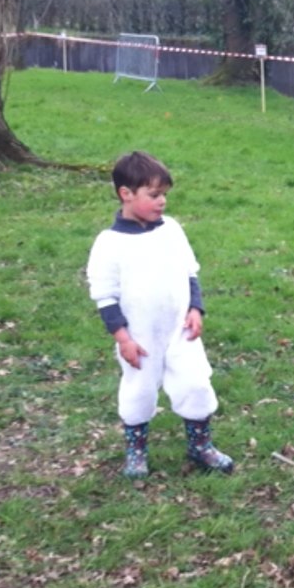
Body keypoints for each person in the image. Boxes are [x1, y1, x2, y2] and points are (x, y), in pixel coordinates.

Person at [86, 151, 234, 478]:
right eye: (154, 195)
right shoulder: (109, 244)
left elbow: (189, 271)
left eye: (164, 194)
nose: (162, 201)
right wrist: (123, 338)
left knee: (196, 384)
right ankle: (136, 451)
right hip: (140, 339)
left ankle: (200, 446)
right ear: (126, 194)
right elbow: (105, 297)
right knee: (139, 391)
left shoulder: (171, 231)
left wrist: (195, 308)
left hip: (180, 331)